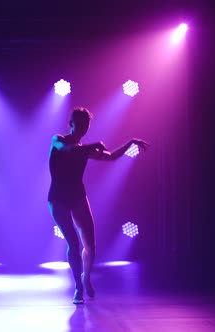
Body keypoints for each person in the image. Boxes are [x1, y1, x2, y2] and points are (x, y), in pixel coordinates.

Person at [48, 107, 149, 304]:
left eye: (87, 124)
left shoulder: (85, 150)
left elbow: (110, 157)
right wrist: (92, 145)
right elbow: (68, 150)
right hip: (58, 198)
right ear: (72, 123)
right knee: (73, 244)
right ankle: (78, 287)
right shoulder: (58, 139)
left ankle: (86, 278)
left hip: (78, 196)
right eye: (81, 123)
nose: (85, 127)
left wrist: (131, 142)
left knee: (90, 247)